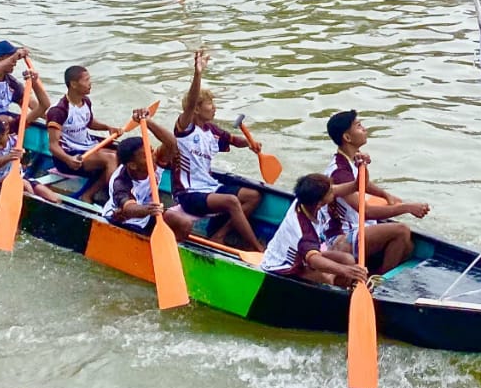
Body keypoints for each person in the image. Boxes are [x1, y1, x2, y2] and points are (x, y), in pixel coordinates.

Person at [167, 50, 264, 251]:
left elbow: (234, 141)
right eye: (210, 103)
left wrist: (250, 144)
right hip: (188, 194)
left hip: (209, 187)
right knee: (230, 201)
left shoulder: (212, 131)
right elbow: (191, 101)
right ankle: (256, 248)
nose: (214, 108)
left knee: (253, 195)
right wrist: (198, 74)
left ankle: (219, 236)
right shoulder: (185, 127)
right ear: (195, 109)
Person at [321, 110, 430, 275]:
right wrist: (407, 208)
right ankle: (378, 283)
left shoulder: (351, 159)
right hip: (340, 240)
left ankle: (378, 273)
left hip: (358, 230)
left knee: (408, 246)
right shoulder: (339, 172)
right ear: (347, 138)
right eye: (358, 126)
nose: (364, 129)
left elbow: (361, 183)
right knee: (401, 231)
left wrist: (385, 195)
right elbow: (367, 211)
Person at [261, 173, 367, 287]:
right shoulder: (304, 231)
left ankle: (342, 288)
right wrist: (346, 270)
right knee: (326, 279)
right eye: (331, 191)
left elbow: (357, 185)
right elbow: (314, 260)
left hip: (303, 256)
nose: (334, 191)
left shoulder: (306, 200)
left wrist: (363, 166)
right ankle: (336, 293)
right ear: (319, 204)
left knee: (347, 259)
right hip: (285, 267)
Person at [43, 65, 121, 203]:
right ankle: (116, 201)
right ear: (73, 84)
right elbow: (53, 146)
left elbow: (89, 122)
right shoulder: (58, 111)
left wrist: (108, 127)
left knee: (120, 154)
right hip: (68, 158)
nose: (90, 84)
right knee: (110, 158)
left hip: (87, 147)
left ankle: (87, 195)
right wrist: (68, 160)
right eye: (86, 80)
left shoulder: (85, 101)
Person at [103, 107, 180, 234]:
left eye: (151, 151)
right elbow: (129, 209)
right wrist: (148, 210)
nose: (152, 157)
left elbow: (171, 143)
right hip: (122, 221)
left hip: (147, 215)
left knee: (181, 222)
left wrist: (147, 121)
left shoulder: (155, 160)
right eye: (146, 156)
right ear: (133, 165)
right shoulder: (120, 182)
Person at [0, 116, 61, 202]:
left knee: (55, 199)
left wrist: (24, 158)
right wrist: (11, 156)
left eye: (0, 142)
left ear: (6, 131)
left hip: (18, 176)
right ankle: (33, 203)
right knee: (24, 184)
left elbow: (25, 162)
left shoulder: (13, 130)